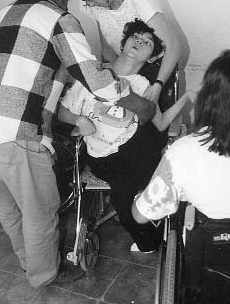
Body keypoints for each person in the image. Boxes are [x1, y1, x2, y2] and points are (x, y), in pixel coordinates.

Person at [0, 0, 156, 288]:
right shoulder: (58, 17)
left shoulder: (2, 14)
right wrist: (140, 106)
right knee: (41, 213)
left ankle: (31, 265)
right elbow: (92, 76)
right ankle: (45, 276)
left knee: (9, 208)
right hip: (16, 132)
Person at [132, 50, 230, 304]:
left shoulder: (185, 151)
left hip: (213, 268)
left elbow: (141, 216)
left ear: (208, 100)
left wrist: (139, 198)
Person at [58, 19, 193, 253]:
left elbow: (159, 124)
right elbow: (62, 112)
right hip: (98, 157)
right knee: (121, 195)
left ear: (151, 58)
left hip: (131, 155)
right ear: (123, 44)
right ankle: (143, 212)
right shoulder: (93, 73)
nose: (140, 41)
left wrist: (186, 98)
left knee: (123, 202)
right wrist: (78, 119)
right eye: (136, 37)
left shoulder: (142, 85)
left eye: (148, 42)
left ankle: (148, 240)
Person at [67, 0, 182, 106]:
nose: (89, 4)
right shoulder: (97, 9)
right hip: (127, 73)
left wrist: (158, 85)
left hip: (158, 73)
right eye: (85, 2)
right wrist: (111, 76)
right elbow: (107, 50)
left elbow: (174, 46)